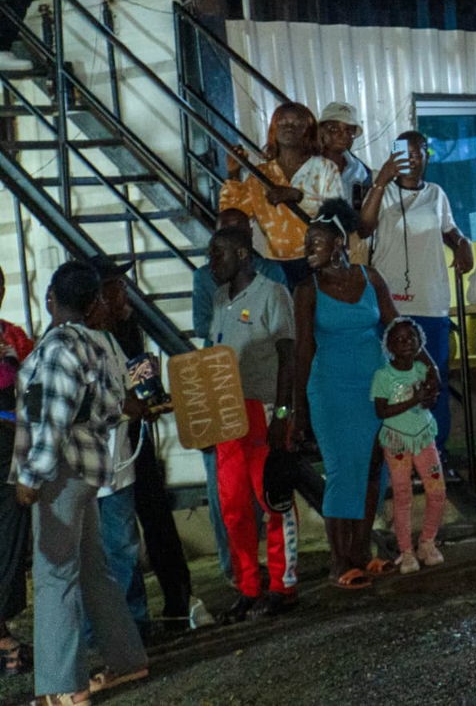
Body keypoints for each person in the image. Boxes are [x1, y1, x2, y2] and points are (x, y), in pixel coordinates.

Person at [14, 261, 148, 704]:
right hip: (91, 466)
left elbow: (50, 422)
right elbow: (115, 409)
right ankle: (127, 659)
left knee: (55, 576)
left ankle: (63, 687)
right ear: (94, 303)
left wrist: (30, 477)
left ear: (50, 298)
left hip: (59, 472)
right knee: (93, 569)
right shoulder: (104, 344)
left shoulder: (56, 350)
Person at [292, 199, 396, 590]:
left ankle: (362, 552)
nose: (308, 250)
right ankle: (339, 561)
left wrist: (416, 365)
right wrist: (296, 407)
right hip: (331, 389)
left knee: (372, 471)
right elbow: (303, 350)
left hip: (375, 387)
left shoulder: (370, 277)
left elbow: (394, 326)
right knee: (340, 472)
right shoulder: (308, 289)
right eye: (306, 244)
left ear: (338, 242)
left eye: (315, 242)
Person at [89, 263, 191, 642]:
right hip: (108, 448)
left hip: (137, 441)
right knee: (117, 537)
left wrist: (152, 391)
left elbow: (142, 380)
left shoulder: (127, 328)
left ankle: (177, 599)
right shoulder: (89, 337)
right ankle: (126, 622)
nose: (125, 296)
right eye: (117, 290)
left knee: (155, 517)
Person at [205, 225, 298, 621]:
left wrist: (282, 413)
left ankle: (283, 585)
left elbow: (289, 356)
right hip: (229, 415)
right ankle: (248, 586)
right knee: (234, 507)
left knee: (273, 499)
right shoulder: (220, 299)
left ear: (243, 254)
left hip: (263, 410)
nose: (212, 263)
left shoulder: (272, 294)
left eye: (219, 254)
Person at [359, 130, 472, 450]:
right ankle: (396, 453)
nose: (411, 158)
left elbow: (450, 229)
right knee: (393, 380)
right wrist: (380, 181)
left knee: (432, 375)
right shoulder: (380, 192)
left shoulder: (437, 193)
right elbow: (364, 227)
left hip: (430, 300)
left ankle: (435, 452)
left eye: (417, 152)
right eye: (403, 153)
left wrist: (462, 243)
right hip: (390, 303)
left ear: (426, 156)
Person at [219, 102, 344, 287]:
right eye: (282, 123)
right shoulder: (260, 175)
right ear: (273, 130)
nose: (288, 127)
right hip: (276, 264)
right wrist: (234, 174)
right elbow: (233, 215)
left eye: (296, 123)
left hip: (317, 261)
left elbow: (337, 215)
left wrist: (299, 196)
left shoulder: (325, 168)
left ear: (308, 130)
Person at [371, 319, 445, 573]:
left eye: (411, 338)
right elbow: (381, 410)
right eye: (399, 339)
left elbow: (429, 401)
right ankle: (406, 552)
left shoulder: (422, 370)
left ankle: (427, 542)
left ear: (419, 342)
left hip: (424, 436)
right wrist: (415, 398)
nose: (406, 343)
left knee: (437, 490)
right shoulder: (383, 375)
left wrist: (427, 399)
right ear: (389, 345)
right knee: (403, 496)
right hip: (397, 441)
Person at [0, 267, 30, 670]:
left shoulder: (13, 334)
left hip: (11, 442)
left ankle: (2, 631)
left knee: (10, 535)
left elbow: (34, 376)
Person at [316, 101, 374, 209]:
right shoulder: (307, 165)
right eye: (334, 128)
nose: (343, 135)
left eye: (349, 130)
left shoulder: (359, 170)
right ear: (321, 131)